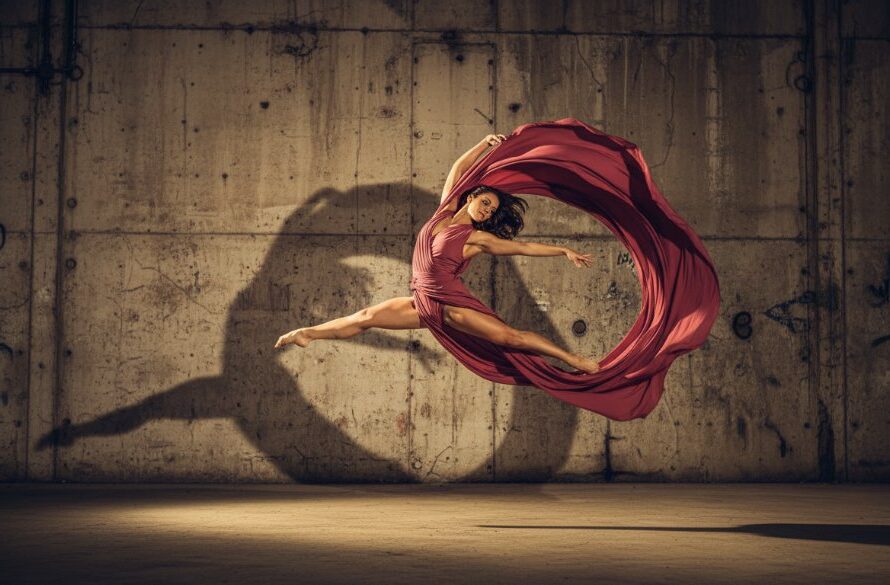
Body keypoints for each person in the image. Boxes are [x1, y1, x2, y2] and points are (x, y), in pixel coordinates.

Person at [274, 133, 600, 374]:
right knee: (365, 318)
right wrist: (484, 144)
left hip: (450, 303)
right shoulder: (443, 211)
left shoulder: (477, 238)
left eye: (491, 210)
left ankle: (573, 360)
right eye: (485, 203)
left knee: (511, 338)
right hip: (422, 301)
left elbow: (523, 247)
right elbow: (457, 170)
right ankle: (306, 334)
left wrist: (562, 250)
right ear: (471, 197)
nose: (487, 211)